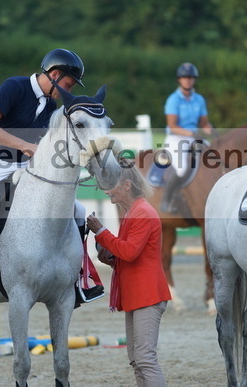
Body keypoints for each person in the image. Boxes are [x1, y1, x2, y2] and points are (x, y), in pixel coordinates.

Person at [0, 48, 101, 306]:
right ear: (54, 74)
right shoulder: (15, 87)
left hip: (25, 166)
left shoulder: (51, 105)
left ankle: (76, 280)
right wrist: (23, 145)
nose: (68, 91)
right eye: (68, 84)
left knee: (78, 210)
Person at [86, 158, 171, 386]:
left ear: (126, 185)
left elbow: (130, 252)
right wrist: (111, 259)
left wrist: (101, 232)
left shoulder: (142, 213)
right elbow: (129, 255)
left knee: (145, 359)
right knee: (137, 360)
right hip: (138, 294)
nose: (106, 191)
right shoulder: (134, 212)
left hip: (147, 295)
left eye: (111, 185)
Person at [162, 62, 213, 179]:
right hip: (176, 138)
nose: (187, 80)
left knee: (213, 158)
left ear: (194, 79)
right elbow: (172, 126)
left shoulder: (199, 99)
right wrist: (191, 134)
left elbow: (204, 124)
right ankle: (169, 191)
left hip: (194, 138)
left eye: (190, 77)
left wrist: (212, 131)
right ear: (179, 79)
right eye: (184, 77)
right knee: (182, 169)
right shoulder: (173, 99)